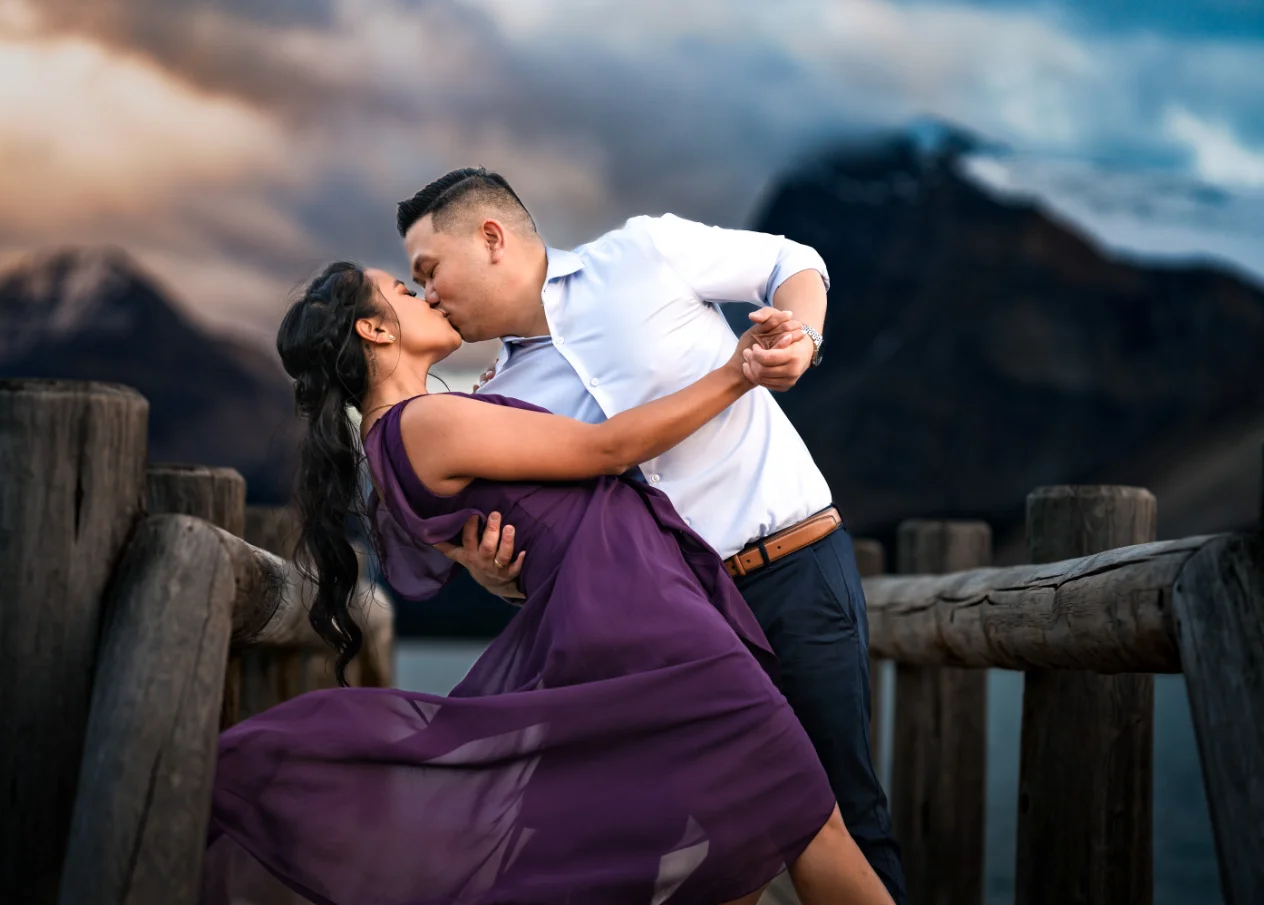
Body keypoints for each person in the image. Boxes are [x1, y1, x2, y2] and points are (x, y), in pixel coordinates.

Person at [202, 262, 892, 905]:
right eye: (405, 293)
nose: (427, 296)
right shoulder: (425, 422)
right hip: (650, 620)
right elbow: (609, 448)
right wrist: (740, 372)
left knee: (736, 843)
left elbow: (512, 543)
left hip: (622, 618)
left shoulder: (396, 444)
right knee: (808, 816)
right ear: (375, 330)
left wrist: (491, 569)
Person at [398, 168, 907, 903]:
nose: (429, 295)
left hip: (791, 570)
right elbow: (553, 545)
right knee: (701, 852)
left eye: (429, 270)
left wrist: (802, 336)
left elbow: (791, 261)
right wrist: (495, 574)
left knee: (844, 817)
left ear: (490, 237)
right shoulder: (496, 403)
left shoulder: (643, 251)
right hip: (669, 635)